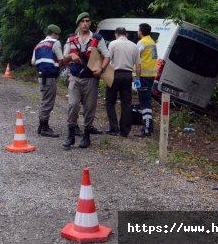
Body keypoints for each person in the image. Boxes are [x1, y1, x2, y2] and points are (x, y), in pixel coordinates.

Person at [61, 12, 110, 150]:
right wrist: (71, 55)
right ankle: (70, 135)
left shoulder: (97, 38)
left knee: (89, 108)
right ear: (78, 23)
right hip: (75, 78)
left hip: (91, 79)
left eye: (87, 21)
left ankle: (86, 135)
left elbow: (107, 56)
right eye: (82, 21)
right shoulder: (71, 39)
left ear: (90, 23)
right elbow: (63, 60)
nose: (85, 23)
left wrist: (101, 68)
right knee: (73, 105)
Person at [105, 27, 140, 137]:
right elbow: (138, 65)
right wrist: (137, 79)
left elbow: (108, 59)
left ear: (116, 34)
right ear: (127, 34)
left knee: (110, 101)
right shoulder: (134, 46)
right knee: (126, 103)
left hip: (115, 74)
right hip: (128, 75)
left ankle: (114, 128)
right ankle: (125, 131)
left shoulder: (113, 44)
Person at [31, 24, 63, 138]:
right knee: (48, 102)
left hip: (41, 76)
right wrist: (57, 67)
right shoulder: (55, 43)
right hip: (50, 76)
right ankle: (44, 127)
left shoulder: (38, 45)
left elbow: (33, 62)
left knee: (45, 99)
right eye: (58, 35)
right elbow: (61, 59)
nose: (58, 37)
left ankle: (41, 126)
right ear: (55, 34)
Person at [136, 23, 158, 137]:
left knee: (145, 102)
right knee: (146, 100)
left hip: (143, 75)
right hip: (151, 75)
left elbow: (134, 57)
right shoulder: (152, 42)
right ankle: (149, 127)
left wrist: (136, 76)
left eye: (138, 30)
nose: (137, 32)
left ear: (141, 31)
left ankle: (147, 129)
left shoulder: (142, 42)